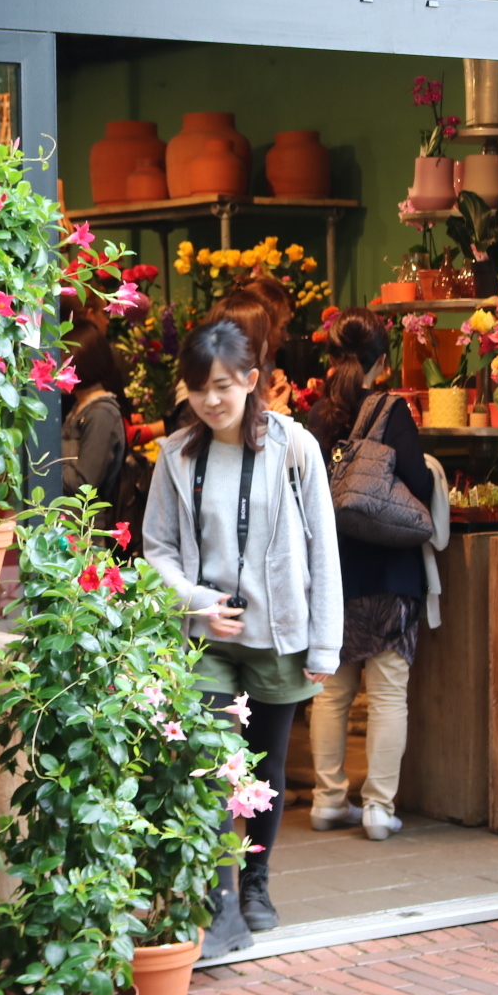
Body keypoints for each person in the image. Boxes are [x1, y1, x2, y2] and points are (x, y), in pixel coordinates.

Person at [143, 318, 341, 943]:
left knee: (265, 770)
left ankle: (256, 883)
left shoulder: (294, 447)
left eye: (224, 386)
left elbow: (324, 551)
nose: (211, 401)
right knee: (210, 762)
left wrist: (325, 643)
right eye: (199, 388)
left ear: (251, 381)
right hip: (206, 638)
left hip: (278, 636)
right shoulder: (175, 456)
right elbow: (157, 551)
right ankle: (219, 894)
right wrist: (196, 601)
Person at [305, 308, 434, 842]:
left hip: (335, 577)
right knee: (387, 693)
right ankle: (379, 808)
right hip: (389, 575)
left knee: (331, 693)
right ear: (380, 362)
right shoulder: (391, 409)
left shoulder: (315, 419)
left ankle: (327, 801)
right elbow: (419, 489)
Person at [61, 316, 128, 528]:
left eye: (63, 362)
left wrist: (43, 463)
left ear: (81, 363)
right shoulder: (80, 407)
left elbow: (84, 484)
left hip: (83, 531)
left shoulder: (101, 414)